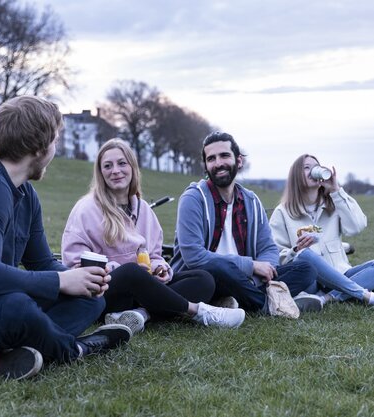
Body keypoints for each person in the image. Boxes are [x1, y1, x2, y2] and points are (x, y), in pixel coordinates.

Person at [0, 96, 132, 381]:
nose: (55, 147)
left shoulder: (25, 194)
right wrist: (62, 281)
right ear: (38, 147)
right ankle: (75, 349)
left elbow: (41, 262)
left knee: (92, 299)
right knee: (16, 306)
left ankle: (22, 350)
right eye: (55, 139)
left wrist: (81, 278)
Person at [61, 138, 245, 334]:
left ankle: (141, 314)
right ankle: (199, 312)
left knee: (203, 279)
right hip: (105, 292)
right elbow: (74, 263)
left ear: (132, 167)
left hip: (145, 291)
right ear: (101, 173)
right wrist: (121, 270)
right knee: (131, 272)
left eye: (122, 163)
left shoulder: (143, 209)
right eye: (108, 166)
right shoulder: (86, 208)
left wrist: (160, 268)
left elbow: (155, 255)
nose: (115, 170)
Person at [170, 131, 320, 314]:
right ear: (206, 166)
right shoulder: (193, 198)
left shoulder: (251, 201)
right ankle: (267, 304)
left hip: (247, 279)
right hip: (206, 277)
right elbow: (194, 256)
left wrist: (264, 270)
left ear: (239, 161)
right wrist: (252, 266)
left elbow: (269, 248)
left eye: (224, 155)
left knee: (306, 268)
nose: (218, 163)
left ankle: (235, 302)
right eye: (211, 159)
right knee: (219, 268)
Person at [269, 154, 374, 306]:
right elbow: (275, 254)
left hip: (341, 274)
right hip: (311, 279)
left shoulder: (334, 202)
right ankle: (362, 294)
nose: (313, 170)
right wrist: (296, 249)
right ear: (296, 176)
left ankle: (327, 298)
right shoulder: (282, 212)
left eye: (316, 167)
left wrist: (336, 191)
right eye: (307, 167)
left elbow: (356, 226)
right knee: (305, 255)